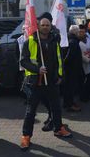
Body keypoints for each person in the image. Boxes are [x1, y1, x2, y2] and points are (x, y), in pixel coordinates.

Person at [20, 18, 72, 150]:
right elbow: (23, 61)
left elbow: (59, 60)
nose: (45, 27)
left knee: (56, 108)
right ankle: (26, 136)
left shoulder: (55, 41)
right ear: (38, 26)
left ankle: (58, 128)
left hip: (52, 81)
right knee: (31, 111)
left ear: (50, 27)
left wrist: (60, 75)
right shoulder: (30, 41)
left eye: (47, 25)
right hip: (35, 82)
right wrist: (37, 69)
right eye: (42, 25)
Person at [63, 25, 84, 112]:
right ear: (75, 32)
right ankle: (69, 105)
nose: (79, 33)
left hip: (71, 69)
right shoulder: (73, 42)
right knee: (70, 88)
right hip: (71, 69)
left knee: (69, 87)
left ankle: (68, 103)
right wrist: (66, 64)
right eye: (78, 31)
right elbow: (69, 56)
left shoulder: (71, 40)